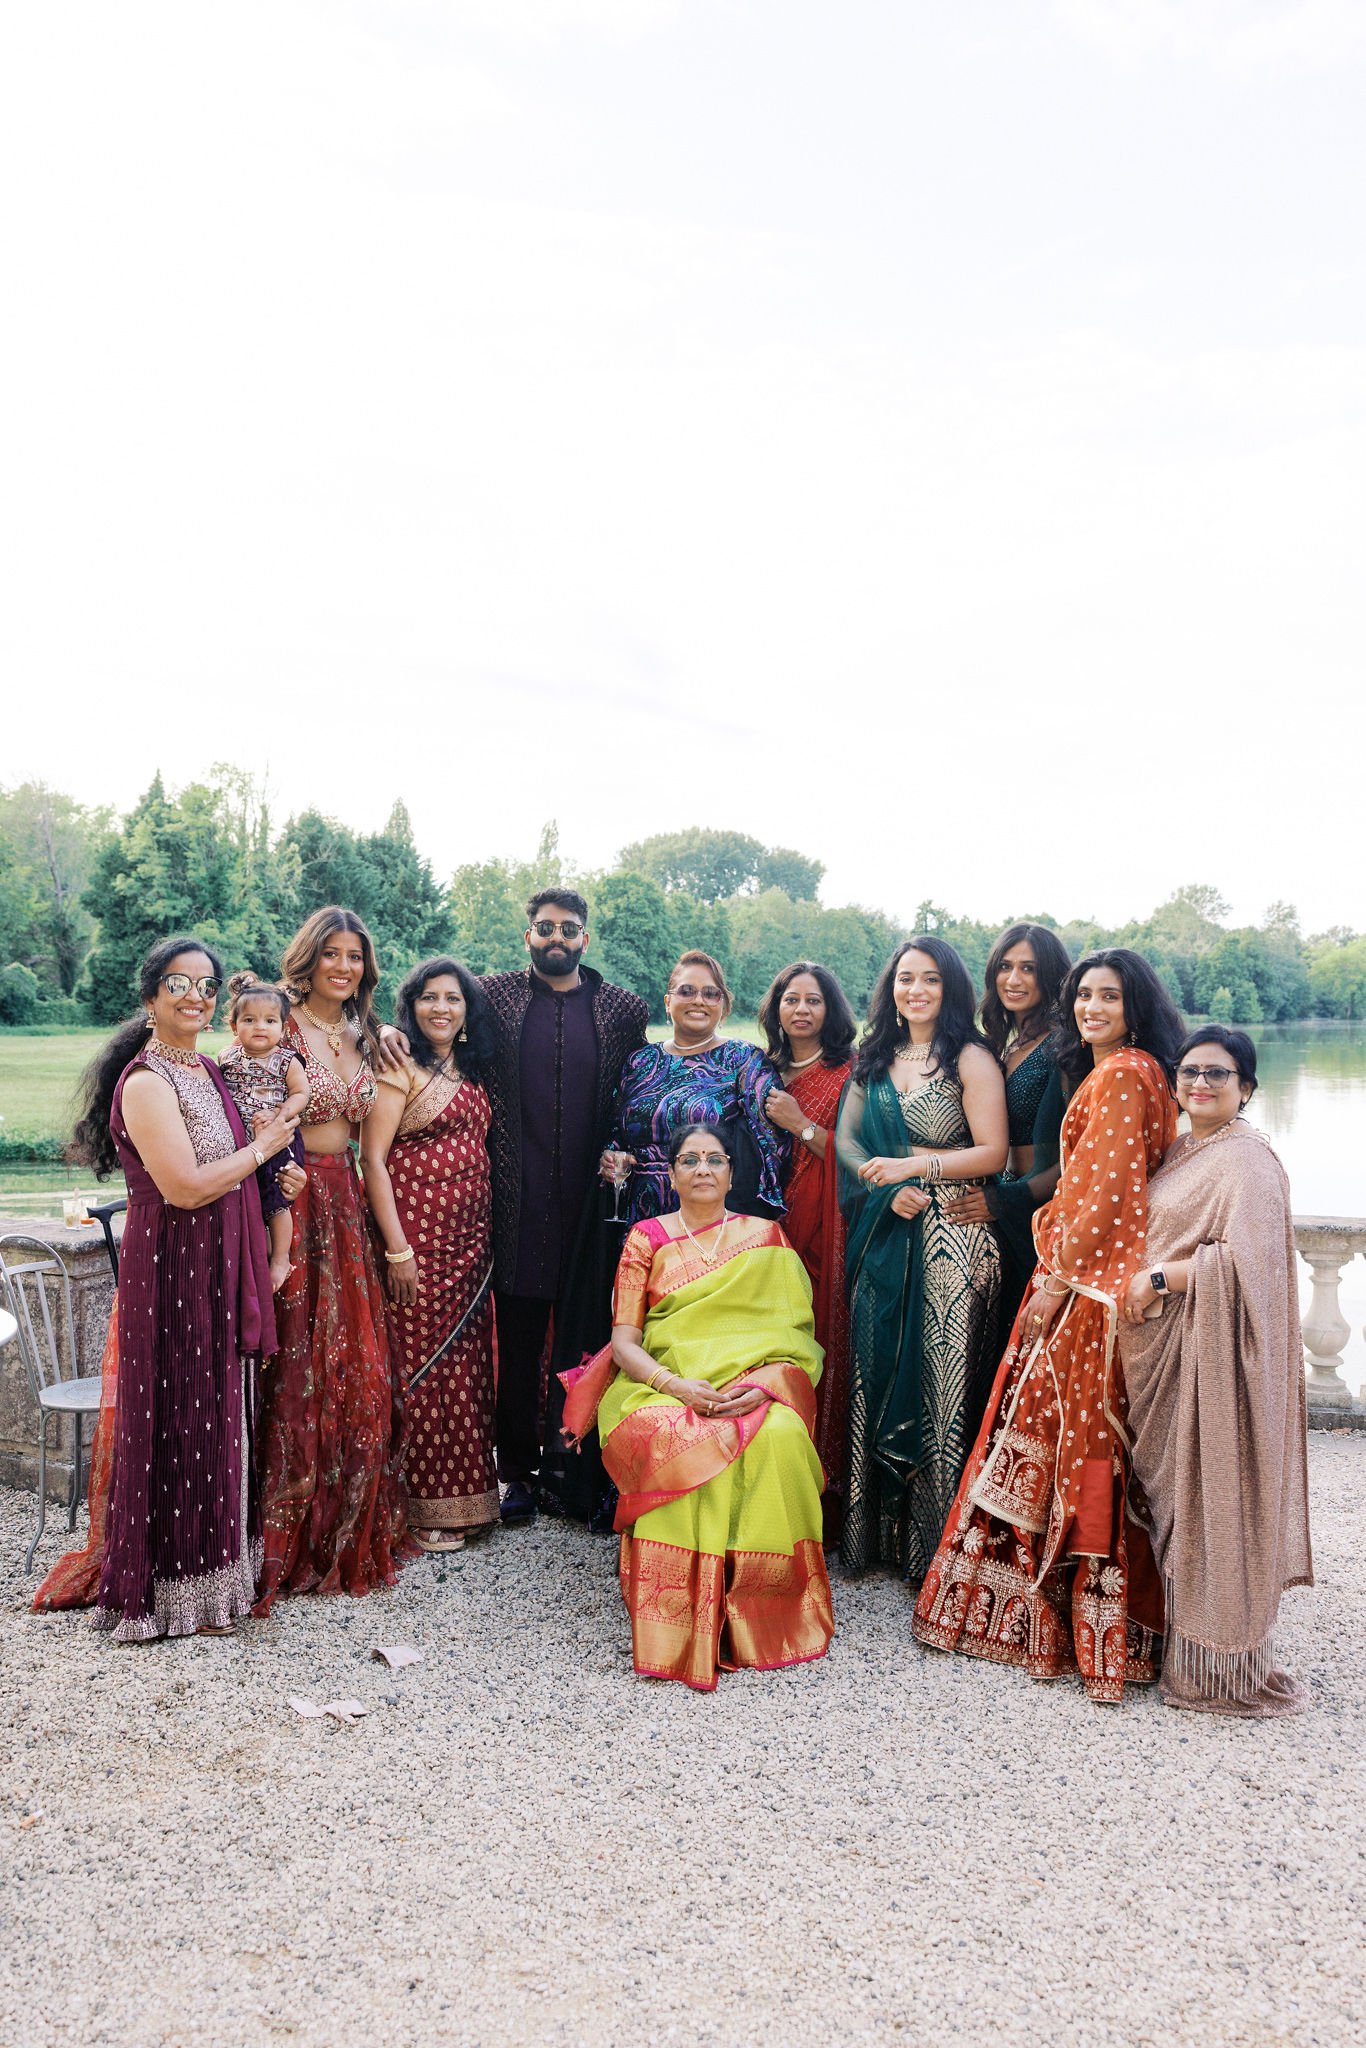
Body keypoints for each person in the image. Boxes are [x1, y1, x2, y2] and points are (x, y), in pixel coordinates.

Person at [913, 948, 1185, 1704]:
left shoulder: (1123, 1075)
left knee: (1076, 1446)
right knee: (1071, 1446)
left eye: (1109, 996)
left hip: (1088, 1293)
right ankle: (1086, 1619)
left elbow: (1107, 1198)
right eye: (1084, 995)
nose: (1092, 1007)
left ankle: (1080, 1622)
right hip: (1094, 1281)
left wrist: (1056, 1284)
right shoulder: (1133, 1071)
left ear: (1136, 1007)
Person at [33, 937, 298, 1638]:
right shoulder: (148, 1082)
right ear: (150, 997)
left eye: (207, 986)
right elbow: (183, 1187)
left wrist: (280, 1182)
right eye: (178, 983)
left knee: (222, 1412)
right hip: (174, 1266)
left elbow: (242, 1161)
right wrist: (263, 1149)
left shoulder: (208, 1069)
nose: (196, 997)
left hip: (224, 1261)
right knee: (180, 1415)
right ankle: (168, 1591)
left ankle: (219, 1582)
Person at [384, 889, 649, 1526]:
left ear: (585, 938)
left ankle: (580, 1468)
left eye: (569, 928)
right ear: (527, 934)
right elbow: (433, 1016)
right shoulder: (493, 996)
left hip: (590, 1204)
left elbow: (635, 1084)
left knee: (587, 1336)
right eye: (544, 927)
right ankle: (520, 1473)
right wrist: (389, 1030)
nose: (557, 937)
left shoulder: (623, 1008)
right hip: (513, 1201)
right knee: (521, 1339)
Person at [559, 1122, 833, 1691]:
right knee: (671, 1432)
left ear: (732, 1172)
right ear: (672, 1173)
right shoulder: (647, 1238)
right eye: (690, 1159)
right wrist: (677, 1386)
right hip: (661, 1384)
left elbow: (794, 1337)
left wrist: (765, 1386)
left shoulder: (767, 1238)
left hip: (751, 1385)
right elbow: (625, 1342)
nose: (703, 1169)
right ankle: (680, 1612)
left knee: (780, 1433)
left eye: (714, 1159)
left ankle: (758, 1608)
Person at [1119, 1026, 1313, 1717]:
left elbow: (1251, 1268)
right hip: (1163, 1352)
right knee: (1171, 1507)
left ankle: (1220, 1666)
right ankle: (1177, 1641)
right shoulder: (1183, 1147)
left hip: (1212, 1358)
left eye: (1218, 1074)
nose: (1200, 1083)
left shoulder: (1248, 1161)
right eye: (1190, 1072)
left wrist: (1163, 1277)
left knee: (1210, 1502)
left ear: (1247, 1088)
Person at [253, 907, 411, 1614]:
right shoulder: (275, 1023)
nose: (343, 967)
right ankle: (279, 1537)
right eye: (331, 954)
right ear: (308, 957)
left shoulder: (363, 1033)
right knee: (292, 1366)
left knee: (356, 1369)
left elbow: (369, 1140)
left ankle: (342, 1529)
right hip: (289, 1200)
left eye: (354, 957)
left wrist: (382, 1028)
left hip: (345, 1205)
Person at [835, 937, 1007, 1583]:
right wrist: (885, 1186)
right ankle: (876, 1539)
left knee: (943, 1387)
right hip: (886, 1232)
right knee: (875, 1371)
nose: (916, 990)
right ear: (891, 988)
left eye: (930, 979)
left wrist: (917, 1167)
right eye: (906, 978)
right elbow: (848, 1143)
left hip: (954, 1239)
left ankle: (935, 1547)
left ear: (950, 987)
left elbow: (993, 1153)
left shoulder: (970, 1057)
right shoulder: (873, 1057)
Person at [362, 958, 500, 1553]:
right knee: (419, 1367)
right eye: (428, 997)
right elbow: (372, 1160)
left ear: (468, 1011)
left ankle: (467, 1497)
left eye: (453, 998)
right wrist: (397, 1251)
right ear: (410, 1005)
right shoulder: (399, 1067)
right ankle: (417, 1506)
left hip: (469, 1244)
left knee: (465, 1370)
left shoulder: (472, 1071)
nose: (441, 1008)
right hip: (416, 1241)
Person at [759, 960, 857, 1536]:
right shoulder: (760, 1068)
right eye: (791, 999)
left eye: (813, 1000)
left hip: (823, 1226)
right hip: (766, 1226)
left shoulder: (850, 1072)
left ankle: (821, 1487)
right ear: (775, 1008)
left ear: (830, 1009)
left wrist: (800, 1125)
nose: (801, 1009)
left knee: (816, 1339)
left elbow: (860, 1155)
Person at [943, 922, 1070, 1336]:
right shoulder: (1000, 1043)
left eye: (1028, 969)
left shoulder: (1066, 1046)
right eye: (1005, 966)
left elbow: (1081, 1157)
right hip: (998, 1211)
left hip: (1041, 1216)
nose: (1013, 980)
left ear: (1051, 976)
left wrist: (1006, 1199)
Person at [600, 951, 788, 1225]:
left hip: (713, 1215)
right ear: (668, 1002)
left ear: (723, 1005)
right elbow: (617, 1128)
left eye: (711, 994)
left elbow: (773, 1142)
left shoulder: (744, 1059)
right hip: (642, 1214)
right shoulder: (640, 1061)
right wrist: (610, 1154)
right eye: (686, 991)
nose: (698, 1000)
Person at [216, 973, 311, 1293]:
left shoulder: (286, 1060)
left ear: (282, 1029)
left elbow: (301, 1093)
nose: (260, 1027)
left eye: (270, 1021)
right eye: (249, 1020)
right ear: (234, 1026)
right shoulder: (226, 1058)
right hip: (240, 1144)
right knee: (246, 1198)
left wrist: (281, 1114)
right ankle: (251, 1255)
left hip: (279, 1139)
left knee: (276, 1199)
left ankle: (280, 1257)